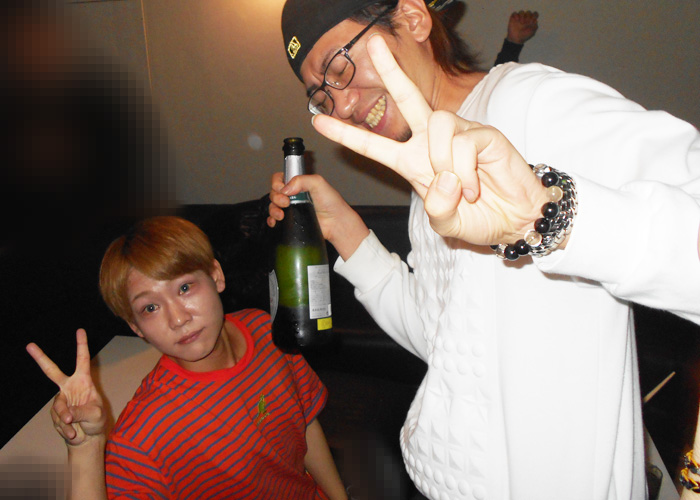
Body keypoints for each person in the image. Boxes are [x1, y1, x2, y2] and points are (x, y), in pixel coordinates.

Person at [271, 0, 700, 499]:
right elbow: (440, 339)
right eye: (321, 96)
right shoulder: (429, 179)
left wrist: (545, 217)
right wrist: (346, 230)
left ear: (412, 19)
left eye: (339, 67)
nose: (341, 106)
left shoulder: (530, 104)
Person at [26, 216, 348, 500]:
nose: (178, 319)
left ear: (216, 275)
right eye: (150, 308)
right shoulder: (148, 430)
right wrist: (85, 449)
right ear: (136, 327)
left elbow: (304, 422)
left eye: (184, 288)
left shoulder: (265, 330)